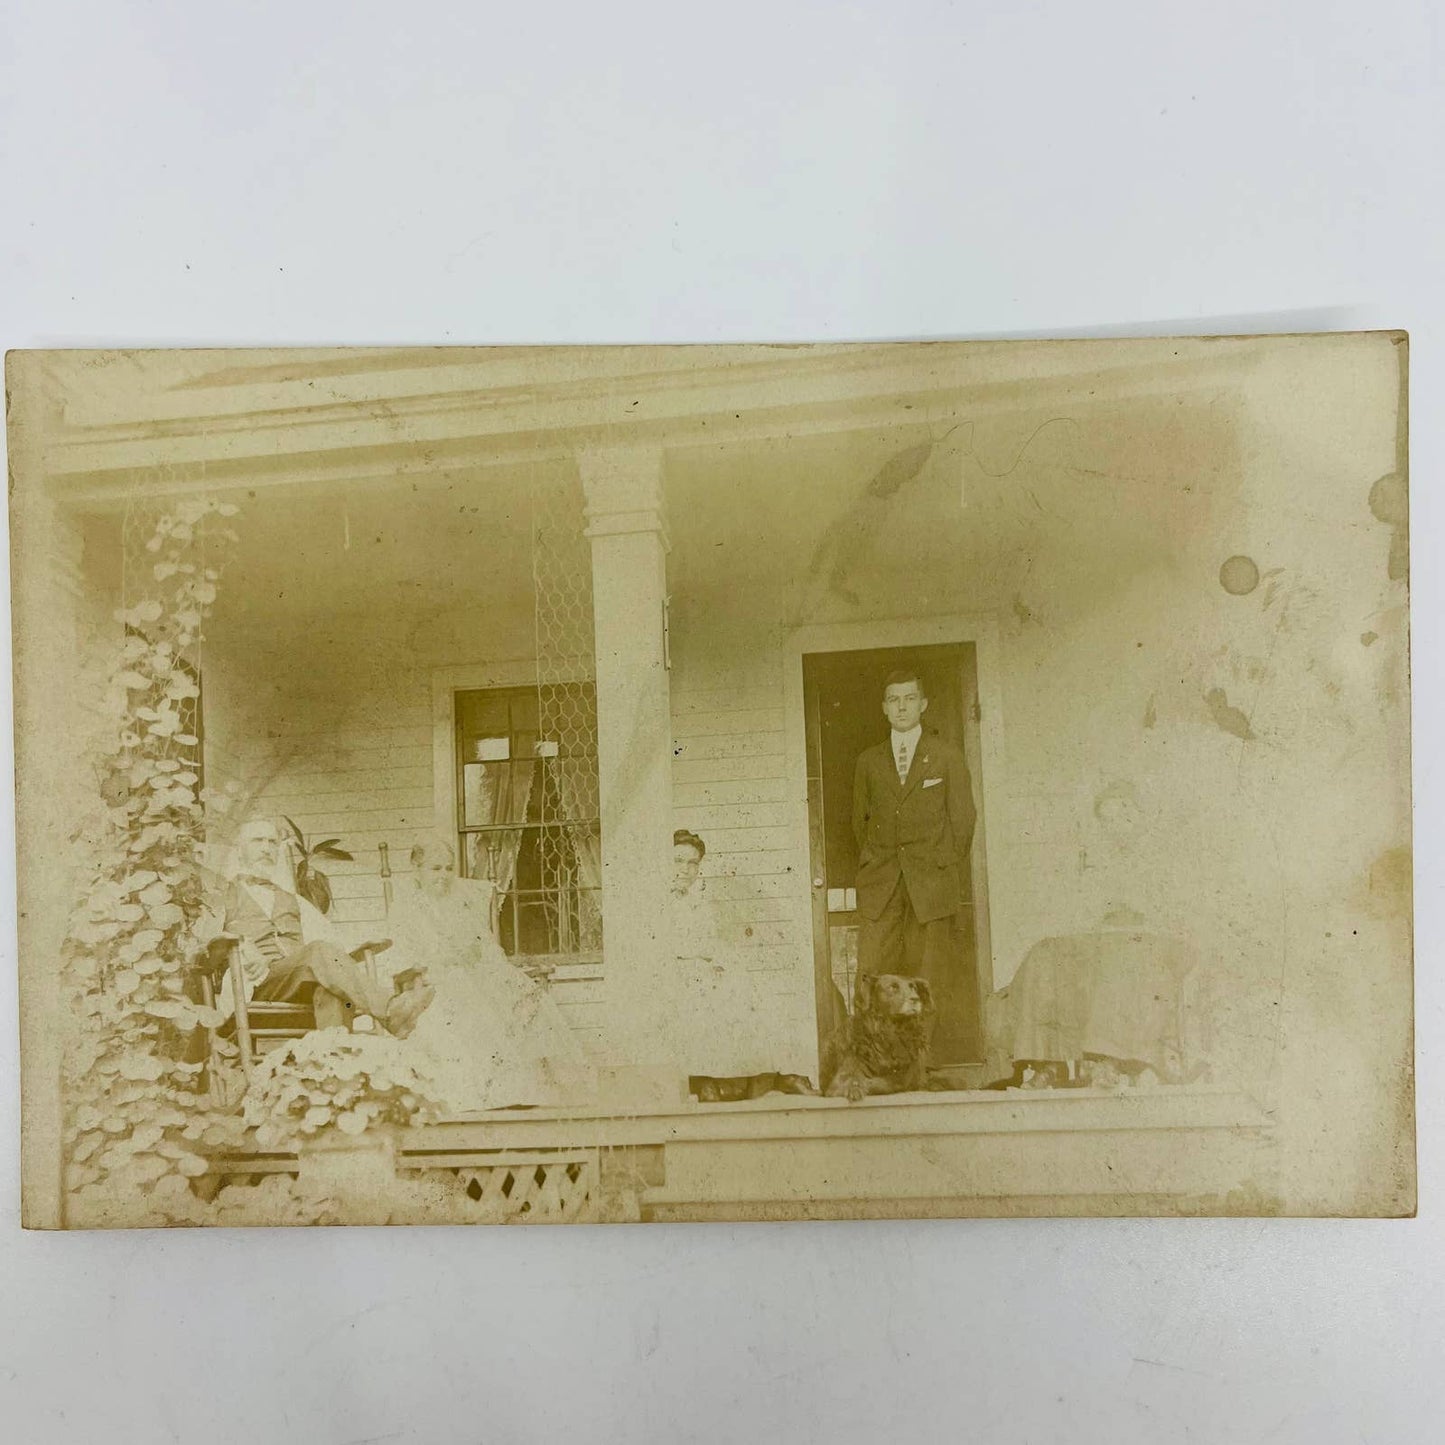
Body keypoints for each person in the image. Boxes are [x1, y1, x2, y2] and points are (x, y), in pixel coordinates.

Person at [383, 838, 587, 1110]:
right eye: (435, 869)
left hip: (472, 974)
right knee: (470, 998)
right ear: (415, 868)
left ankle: (522, 1089)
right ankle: (487, 1091)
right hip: (431, 982)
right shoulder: (404, 908)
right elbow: (404, 958)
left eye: (448, 869)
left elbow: (484, 946)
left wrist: (486, 963)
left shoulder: (459, 904)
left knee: (522, 996)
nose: (443, 876)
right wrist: (449, 962)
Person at [851, 670, 977, 1057]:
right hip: (883, 884)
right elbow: (860, 822)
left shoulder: (947, 756)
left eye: (909, 698)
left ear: (923, 704)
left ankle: (921, 1064)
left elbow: (963, 820)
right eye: (894, 699)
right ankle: (875, 1060)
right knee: (873, 973)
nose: (902, 706)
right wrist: (878, 862)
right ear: (884, 708)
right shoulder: (869, 761)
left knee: (926, 978)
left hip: (930, 886)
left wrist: (940, 865)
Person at [213, 818, 428, 1037]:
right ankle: (390, 1010)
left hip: (298, 983)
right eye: (257, 841)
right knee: (319, 952)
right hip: (257, 985)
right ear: (239, 850)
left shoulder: (293, 900)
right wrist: (240, 945)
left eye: (272, 842)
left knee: (331, 992)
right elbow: (204, 942)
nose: (266, 848)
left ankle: (334, 1060)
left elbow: (333, 943)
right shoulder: (221, 895)